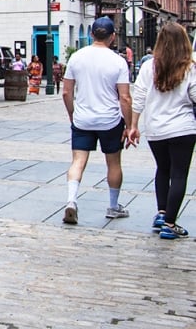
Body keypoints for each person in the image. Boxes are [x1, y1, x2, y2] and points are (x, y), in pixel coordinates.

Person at [125, 22, 196, 239]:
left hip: (155, 129)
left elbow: (138, 98)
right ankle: (170, 224)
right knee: (179, 174)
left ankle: (162, 212)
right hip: (183, 128)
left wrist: (133, 126)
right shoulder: (190, 67)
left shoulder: (149, 66)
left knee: (162, 169)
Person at [59, 16, 132, 225]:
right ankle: (113, 205)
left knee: (78, 161)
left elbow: (66, 92)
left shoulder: (76, 58)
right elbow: (125, 97)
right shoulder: (118, 61)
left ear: (91, 34)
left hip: (83, 118)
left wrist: (73, 115)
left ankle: (71, 200)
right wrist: (128, 125)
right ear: (113, 37)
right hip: (109, 119)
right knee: (113, 162)